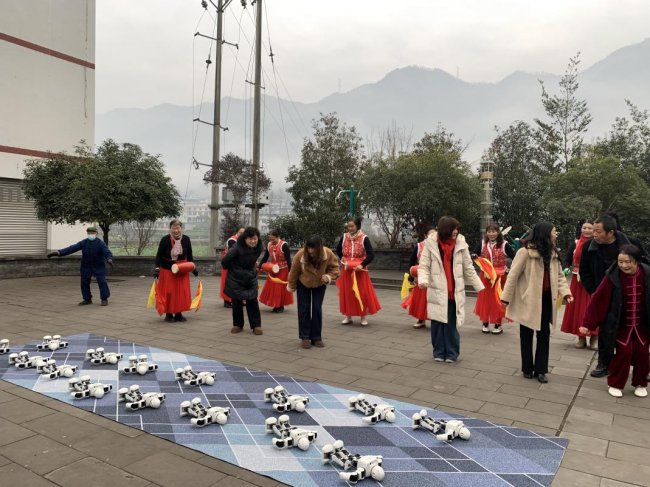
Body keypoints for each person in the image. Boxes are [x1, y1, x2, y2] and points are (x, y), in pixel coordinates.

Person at [501, 222, 572, 383]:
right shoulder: (525, 252)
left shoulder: (553, 253)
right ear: (545, 234)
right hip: (528, 300)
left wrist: (566, 293)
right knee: (526, 335)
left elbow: (560, 276)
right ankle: (527, 368)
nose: (556, 234)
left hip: (547, 300)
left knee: (544, 335)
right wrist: (505, 298)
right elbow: (512, 276)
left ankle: (541, 370)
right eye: (554, 231)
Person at [580, 214, 648, 378]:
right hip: (606, 296)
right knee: (606, 331)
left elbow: (645, 264)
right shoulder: (589, 247)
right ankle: (604, 364)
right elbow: (585, 271)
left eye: (598, 231)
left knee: (638, 335)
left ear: (610, 232)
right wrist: (595, 291)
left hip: (631, 296)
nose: (594, 234)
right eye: (593, 231)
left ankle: (641, 367)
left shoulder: (632, 244)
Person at [417, 216, 484, 363]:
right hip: (436, 289)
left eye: (457, 229)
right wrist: (423, 280)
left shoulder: (461, 244)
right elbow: (424, 265)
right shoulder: (430, 244)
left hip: (454, 291)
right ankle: (438, 352)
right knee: (437, 324)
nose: (456, 232)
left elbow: (468, 268)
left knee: (450, 324)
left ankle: (452, 353)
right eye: (453, 229)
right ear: (445, 229)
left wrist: (479, 286)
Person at [287, 235, 340, 348]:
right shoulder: (300, 254)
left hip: (319, 283)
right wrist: (291, 285)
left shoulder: (328, 253)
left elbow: (335, 268)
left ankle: (316, 337)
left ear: (319, 247)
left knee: (317, 308)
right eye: (309, 248)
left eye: (313, 248)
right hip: (303, 283)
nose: (310, 251)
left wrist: (328, 276)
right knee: (304, 309)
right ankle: (305, 337)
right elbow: (294, 271)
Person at [47, 225, 114, 306]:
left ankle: (104, 299)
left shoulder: (100, 243)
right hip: (86, 266)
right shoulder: (84, 242)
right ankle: (87, 299)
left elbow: (106, 252)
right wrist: (59, 252)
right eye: (89, 233)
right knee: (84, 282)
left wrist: (109, 259)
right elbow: (72, 248)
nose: (91, 235)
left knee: (102, 281)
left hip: (98, 265)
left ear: (96, 233)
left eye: (92, 233)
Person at [335, 216, 381, 326]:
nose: (350, 228)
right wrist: (343, 259)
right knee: (348, 292)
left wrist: (362, 264)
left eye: (352, 226)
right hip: (347, 270)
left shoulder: (364, 238)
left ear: (357, 226)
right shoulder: (344, 237)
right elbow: (338, 249)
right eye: (348, 226)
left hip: (360, 270)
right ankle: (348, 316)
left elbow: (371, 254)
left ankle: (363, 317)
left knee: (361, 293)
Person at [472, 223, 516, 334]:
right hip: (486, 276)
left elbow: (515, 257)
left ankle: (498, 324)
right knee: (485, 299)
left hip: (499, 277)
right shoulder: (482, 243)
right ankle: (485, 322)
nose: (491, 234)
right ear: (486, 233)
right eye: (489, 232)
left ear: (498, 232)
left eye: (494, 231)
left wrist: (508, 269)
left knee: (498, 299)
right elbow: (474, 253)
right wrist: (474, 256)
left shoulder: (504, 244)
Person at [221, 226, 264, 335]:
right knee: (236, 301)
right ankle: (238, 325)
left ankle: (256, 325)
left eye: (255, 238)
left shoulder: (259, 247)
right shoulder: (236, 247)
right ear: (245, 239)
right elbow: (224, 261)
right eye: (250, 239)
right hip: (236, 277)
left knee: (252, 300)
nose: (253, 241)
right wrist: (234, 269)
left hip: (251, 277)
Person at [154, 219, 198, 323]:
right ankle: (169, 314)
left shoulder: (186, 239)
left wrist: (193, 268)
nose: (176, 230)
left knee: (181, 293)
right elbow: (159, 255)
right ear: (170, 229)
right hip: (167, 270)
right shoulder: (165, 239)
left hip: (182, 270)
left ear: (181, 228)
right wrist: (157, 268)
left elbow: (190, 256)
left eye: (178, 228)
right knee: (169, 292)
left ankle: (178, 314)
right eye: (173, 228)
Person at [560, 220, 595, 349]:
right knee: (578, 309)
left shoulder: (598, 243)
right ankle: (581, 337)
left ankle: (594, 338)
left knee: (593, 308)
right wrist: (565, 268)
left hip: (593, 280)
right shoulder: (575, 243)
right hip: (577, 280)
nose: (586, 230)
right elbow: (567, 259)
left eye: (589, 228)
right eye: (584, 228)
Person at [402, 226, 436, 328]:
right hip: (422, 277)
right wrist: (411, 275)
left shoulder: (440, 245)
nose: (433, 236)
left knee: (434, 300)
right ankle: (421, 320)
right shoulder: (419, 246)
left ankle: (436, 321)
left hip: (435, 278)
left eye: (435, 233)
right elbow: (412, 261)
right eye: (430, 234)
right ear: (425, 235)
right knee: (421, 300)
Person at [259, 229, 294, 313]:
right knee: (272, 287)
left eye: (273, 239)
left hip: (283, 270)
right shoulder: (269, 245)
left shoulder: (284, 245)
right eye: (270, 239)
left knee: (280, 287)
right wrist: (259, 267)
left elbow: (288, 259)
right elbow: (265, 257)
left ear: (278, 237)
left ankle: (280, 306)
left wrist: (290, 271)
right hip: (273, 269)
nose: (272, 241)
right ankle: (276, 305)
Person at [218, 227, 245, 308]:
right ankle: (227, 301)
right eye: (240, 232)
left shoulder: (243, 241)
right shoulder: (232, 240)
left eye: (244, 233)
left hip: (238, 266)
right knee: (227, 283)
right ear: (237, 232)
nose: (242, 234)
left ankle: (239, 300)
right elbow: (233, 254)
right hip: (229, 265)